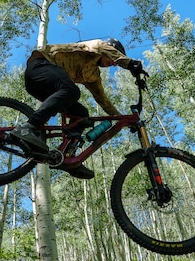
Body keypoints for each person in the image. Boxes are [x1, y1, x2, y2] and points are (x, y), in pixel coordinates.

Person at [11, 38, 146, 179]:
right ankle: (28, 127)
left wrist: (123, 119)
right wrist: (129, 63)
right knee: (72, 91)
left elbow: (103, 100)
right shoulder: (95, 47)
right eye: (114, 58)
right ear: (110, 49)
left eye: (116, 63)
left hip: (49, 87)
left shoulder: (93, 74)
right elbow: (103, 48)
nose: (114, 63)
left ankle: (68, 156)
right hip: (40, 66)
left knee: (81, 114)